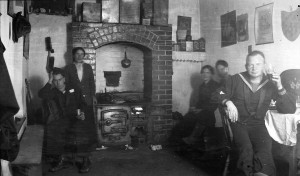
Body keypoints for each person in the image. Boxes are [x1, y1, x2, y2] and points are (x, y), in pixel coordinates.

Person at [217, 51, 296, 176]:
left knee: (265, 149)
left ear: (264, 65)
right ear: (246, 66)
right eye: (250, 65)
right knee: (246, 149)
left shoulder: (270, 83)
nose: (254, 68)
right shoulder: (236, 79)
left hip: (258, 125)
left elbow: (289, 109)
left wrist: (280, 86)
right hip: (238, 123)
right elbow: (218, 92)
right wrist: (228, 102)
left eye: (258, 64)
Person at [39, 67, 96, 173]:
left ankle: (85, 160)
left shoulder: (74, 88)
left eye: (59, 79)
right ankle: (61, 160)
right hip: (61, 120)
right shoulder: (52, 92)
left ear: (64, 79)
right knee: (53, 129)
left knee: (81, 129)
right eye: (55, 80)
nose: (57, 82)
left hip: (76, 117)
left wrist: (82, 112)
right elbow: (41, 94)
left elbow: (82, 103)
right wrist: (49, 81)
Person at [182, 65, 219, 145]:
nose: (205, 75)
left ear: (211, 74)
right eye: (203, 72)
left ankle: (193, 138)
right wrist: (194, 108)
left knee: (203, 115)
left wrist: (201, 109)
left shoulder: (216, 86)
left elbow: (215, 103)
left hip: (209, 112)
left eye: (207, 73)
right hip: (201, 110)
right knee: (188, 116)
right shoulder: (201, 86)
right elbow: (200, 101)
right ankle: (189, 139)